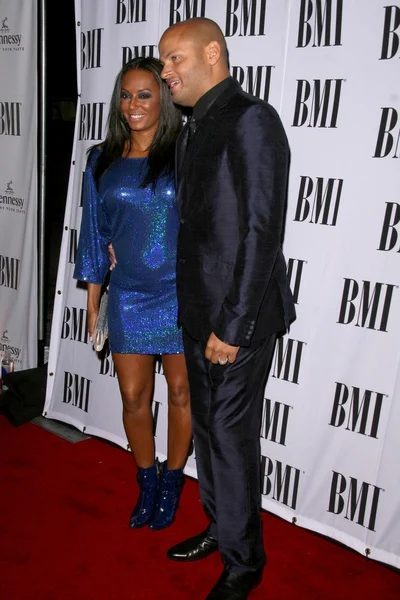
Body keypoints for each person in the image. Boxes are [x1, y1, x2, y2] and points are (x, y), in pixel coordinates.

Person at [159, 18, 296, 600]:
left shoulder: (252, 119)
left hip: (240, 320)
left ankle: (245, 563)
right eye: (162, 62)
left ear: (212, 53)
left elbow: (262, 232)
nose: (165, 72)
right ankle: (221, 527)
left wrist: (232, 328)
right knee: (210, 434)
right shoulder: (192, 130)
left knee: (232, 437)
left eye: (173, 60)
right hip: (198, 313)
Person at [73, 57, 192, 531]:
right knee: (132, 394)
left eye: (144, 94)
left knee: (182, 391)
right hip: (127, 295)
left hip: (181, 294)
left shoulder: (185, 152)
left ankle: (174, 480)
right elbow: (93, 233)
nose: (134, 104)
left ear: (162, 99)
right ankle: (147, 479)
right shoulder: (100, 159)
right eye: (126, 95)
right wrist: (93, 298)